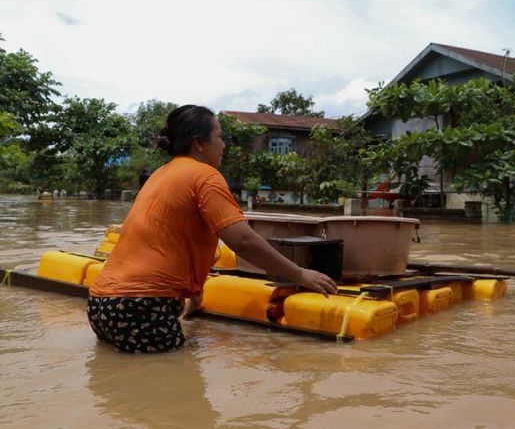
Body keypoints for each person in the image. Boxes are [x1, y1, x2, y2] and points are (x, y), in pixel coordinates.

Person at [88, 105, 337, 353]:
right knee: (179, 388)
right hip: (141, 307)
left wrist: (194, 294)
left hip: (101, 305)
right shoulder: (205, 176)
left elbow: (171, 237)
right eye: (219, 137)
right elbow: (242, 240)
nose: (224, 145)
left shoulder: (160, 174)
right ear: (199, 143)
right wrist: (300, 274)